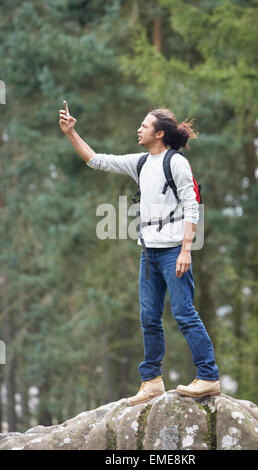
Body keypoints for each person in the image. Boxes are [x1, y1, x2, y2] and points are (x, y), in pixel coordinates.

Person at [59, 105, 220, 406]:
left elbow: (192, 205)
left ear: (159, 133)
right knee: (148, 318)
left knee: (184, 314)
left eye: (145, 125)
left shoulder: (177, 164)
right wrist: (71, 133)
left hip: (174, 251)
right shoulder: (142, 162)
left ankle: (208, 376)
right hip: (149, 253)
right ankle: (152, 382)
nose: (139, 129)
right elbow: (96, 160)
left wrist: (186, 249)